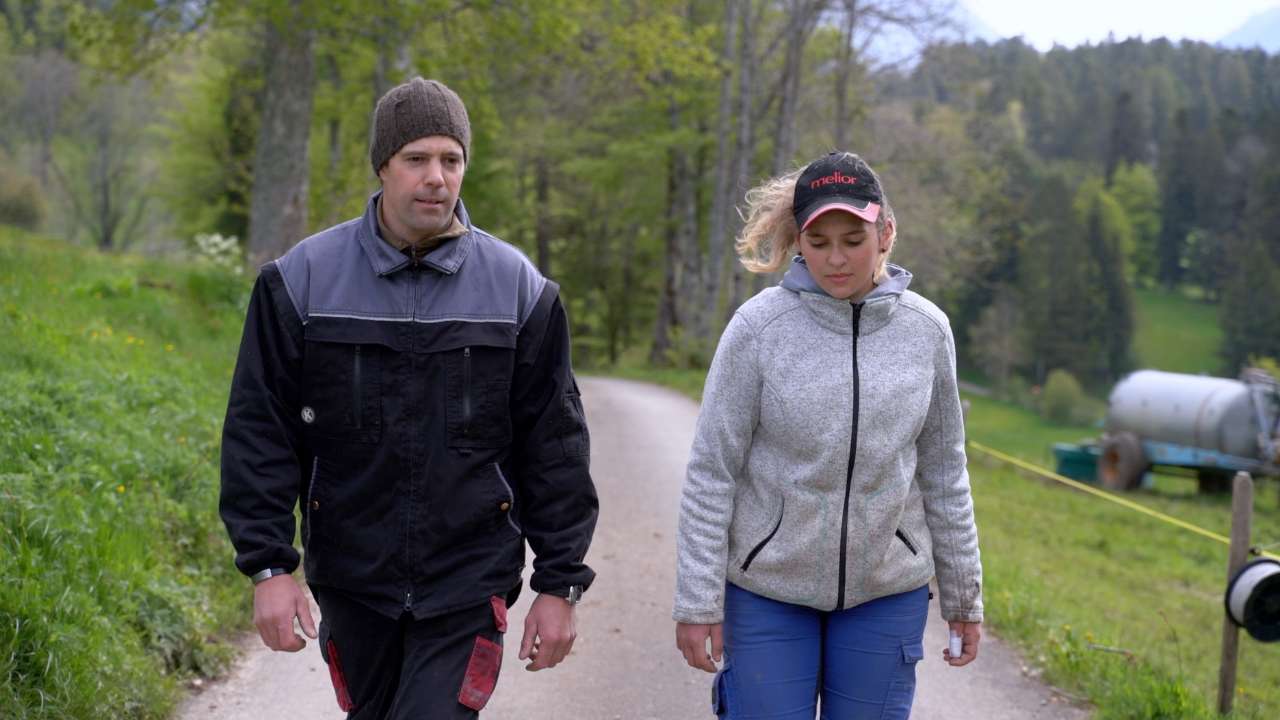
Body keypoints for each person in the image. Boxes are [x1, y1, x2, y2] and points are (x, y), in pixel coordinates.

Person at [219, 77, 598, 719]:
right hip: (351, 580)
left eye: (451, 159)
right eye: (416, 158)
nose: (436, 178)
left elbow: (554, 445)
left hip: (471, 582)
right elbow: (260, 429)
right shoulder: (301, 280)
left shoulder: (520, 290)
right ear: (382, 166)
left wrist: (560, 582)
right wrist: (268, 567)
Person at [673, 151, 983, 719]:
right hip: (768, 591)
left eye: (853, 240)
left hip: (886, 591)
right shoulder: (757, 330)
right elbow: (712, 472)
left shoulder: (928, 331)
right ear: (798, 242)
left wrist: (965, 596)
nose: (836, 259)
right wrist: (697, 601)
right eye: (818, 243)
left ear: (885, 234)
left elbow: (944, 472)